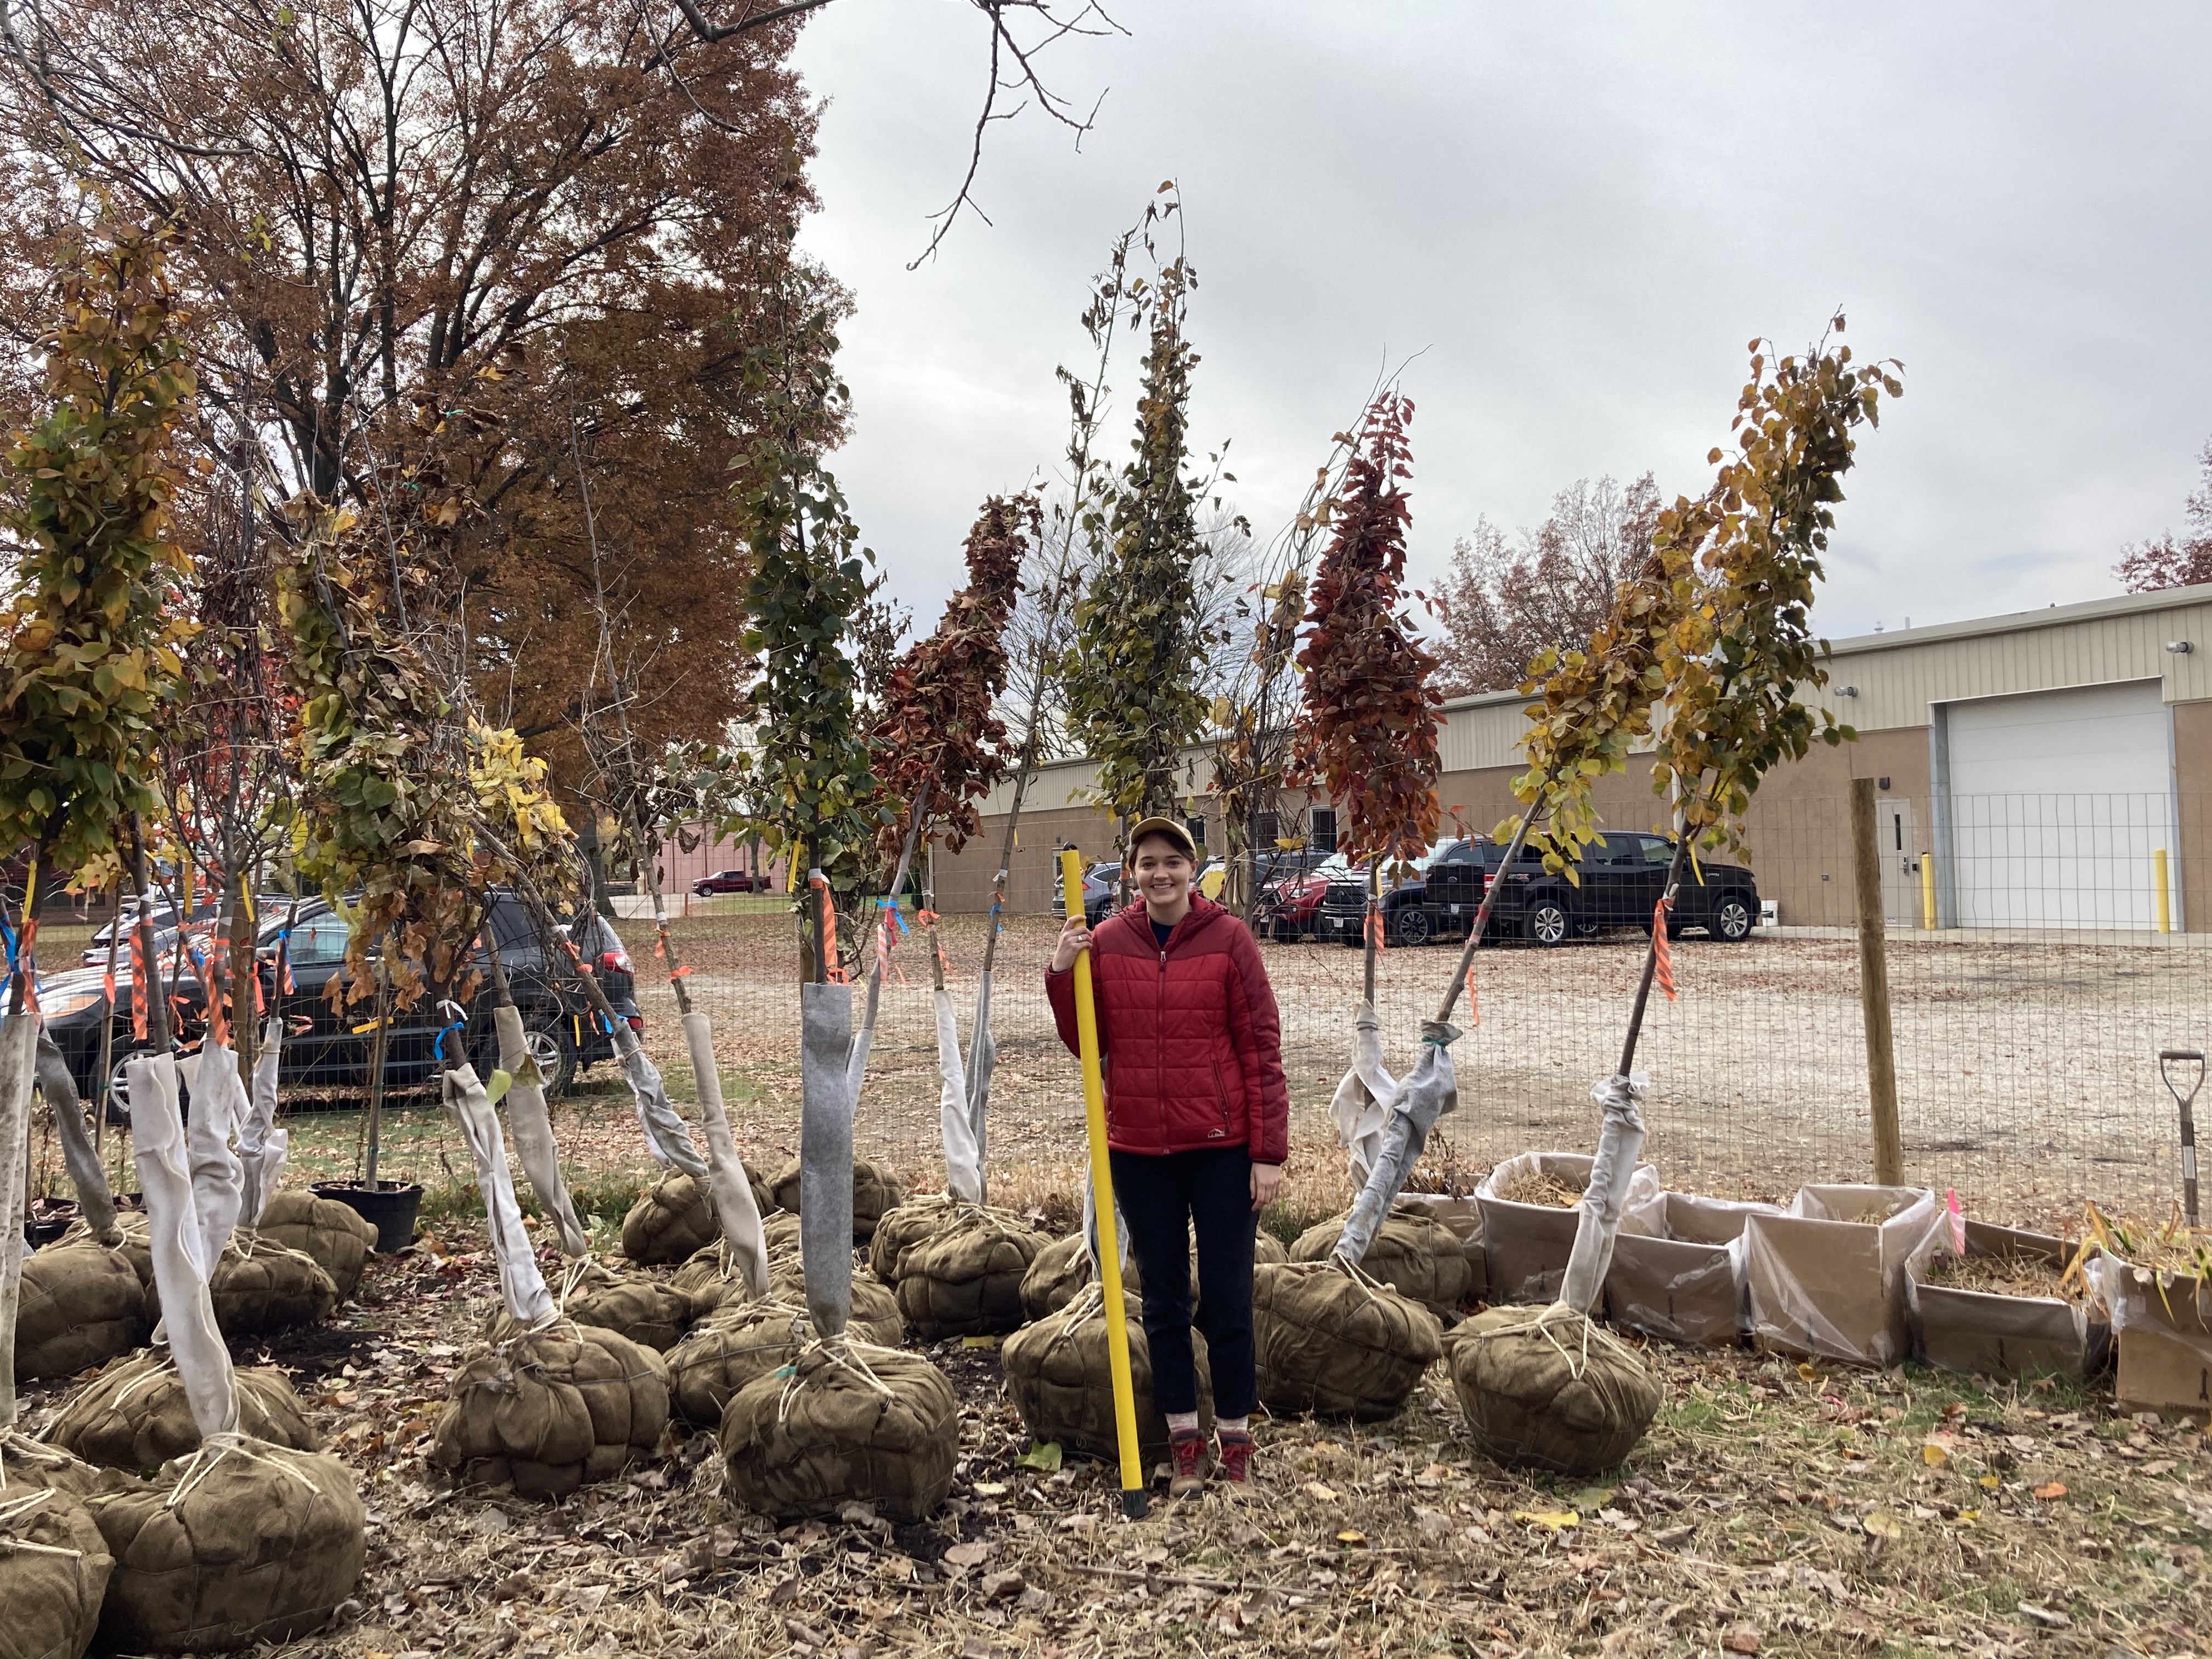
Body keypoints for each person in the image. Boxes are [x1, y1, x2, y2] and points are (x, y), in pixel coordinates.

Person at [1047, 815, 1289, 1496]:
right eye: (1148, 862)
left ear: (1193, 868)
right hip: (1140, 1150)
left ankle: (1235, 1438)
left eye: (1173, 861)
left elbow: (1261, 1047)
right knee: (1161, 1298)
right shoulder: (1108, 941)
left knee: (1229, 1297)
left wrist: (1267, 1152)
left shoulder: (1229, 939)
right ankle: (1185, 1438)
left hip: (1221, 1148)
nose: (1161, 874)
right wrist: (1063, 974)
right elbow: (1085, 1042)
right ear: (1132, 872)